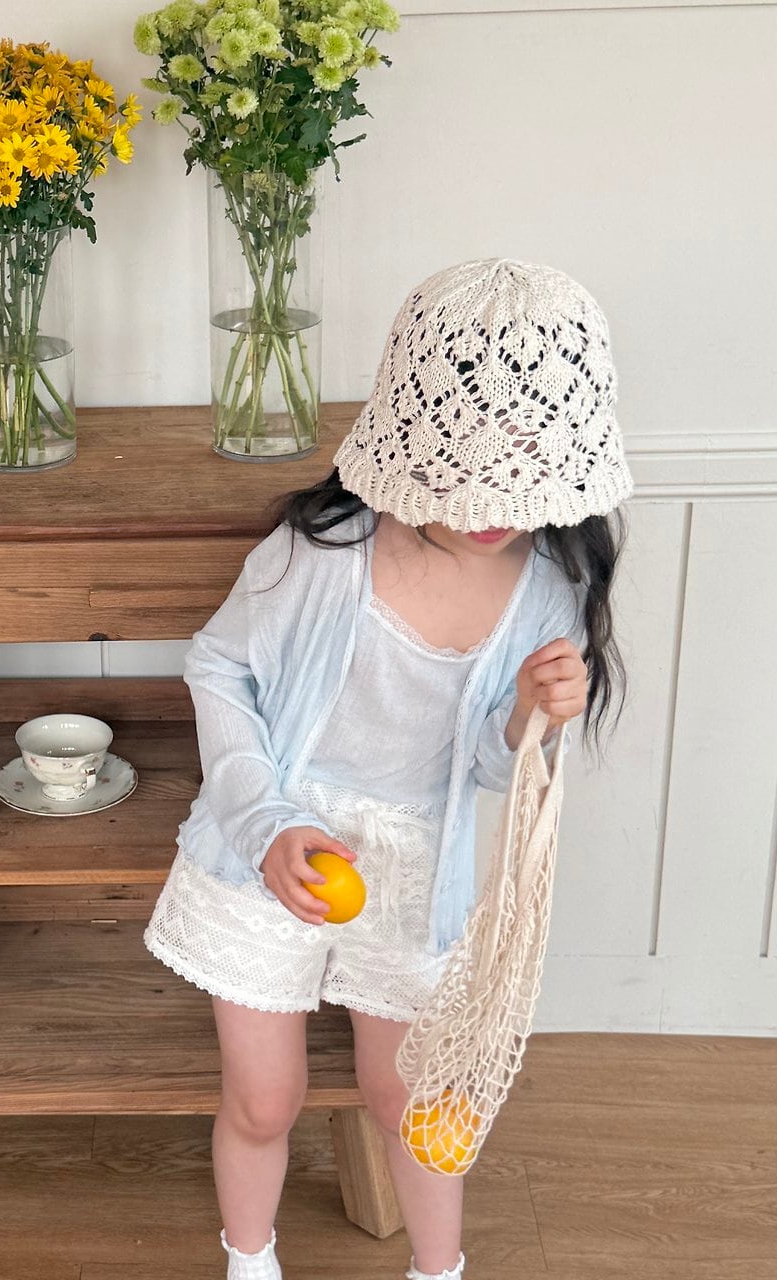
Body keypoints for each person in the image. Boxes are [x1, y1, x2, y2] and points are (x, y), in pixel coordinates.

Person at [143, 258, 632, 1280]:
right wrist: (266, 823)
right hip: (272, 841)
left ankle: (438, 1268)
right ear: (419, 438)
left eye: (525, 472)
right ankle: (249, 1259)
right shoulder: (322, 553)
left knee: (412, 1096)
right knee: (264, 1097)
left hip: (415, 859)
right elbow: (219, 668)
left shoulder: (545, 586)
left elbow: (488, 772)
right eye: (471, 471)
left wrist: (531, 713)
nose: (497, 506)